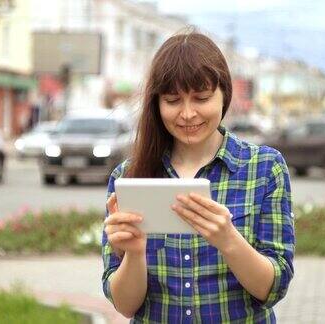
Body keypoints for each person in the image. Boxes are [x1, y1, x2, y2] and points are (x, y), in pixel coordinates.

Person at [101, 31, 295, 323]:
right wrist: (134, 253)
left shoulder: (265, 167)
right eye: (173, 100)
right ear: (157, 104)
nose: (188, 113)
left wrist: (228, 239)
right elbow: (126, 306)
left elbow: (272, 289)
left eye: (201, 98)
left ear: (224, 95)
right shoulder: (129, 177)